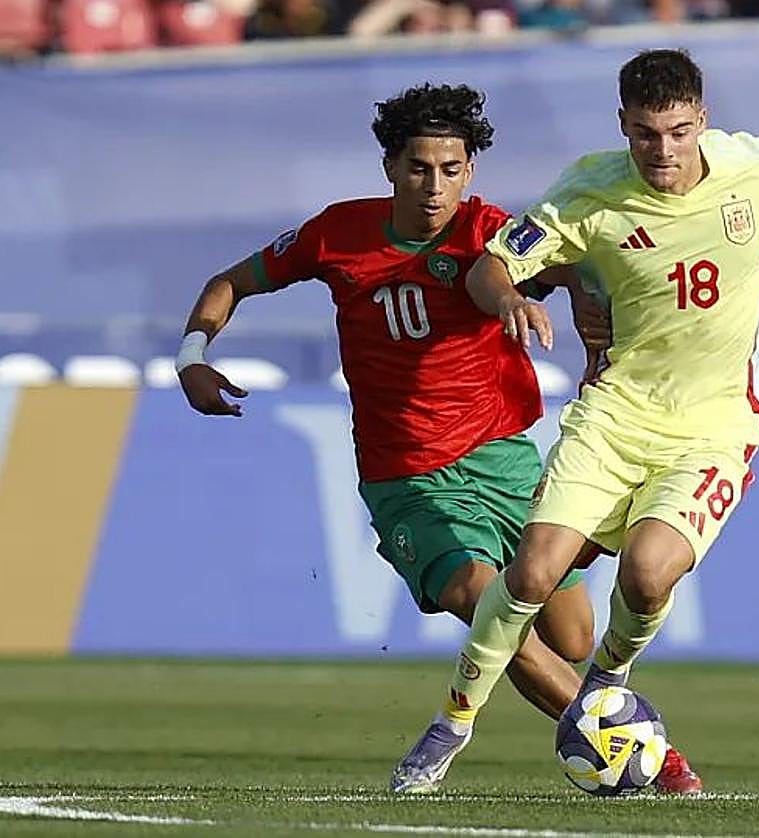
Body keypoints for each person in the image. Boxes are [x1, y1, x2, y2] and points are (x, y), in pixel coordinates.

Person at [392, 49, 759, 793]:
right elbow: (493, 264)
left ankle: (604, 688)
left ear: (701, 122)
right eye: (646, 134)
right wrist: (512, 297)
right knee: (533, 572)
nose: (663, 151)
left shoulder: (755, 166)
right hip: (616, 413)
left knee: (647, 576)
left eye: (678, 132)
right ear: (624, 127)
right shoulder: (589, 192)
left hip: (716, 423)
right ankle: (451, 725)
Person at [174, 83, 703, 796]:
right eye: (419, 168)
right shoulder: (338, 233)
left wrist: (571, 296)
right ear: (390, 166)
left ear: (471, 171)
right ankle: (640, 758)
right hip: (407, 476)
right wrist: (193, 357)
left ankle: (595, 724)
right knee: (482, 596)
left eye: (451, 170)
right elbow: (229, 282)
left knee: (573, 638)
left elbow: (557, 266)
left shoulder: (492, 230)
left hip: (505, 459)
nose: (435, 187)